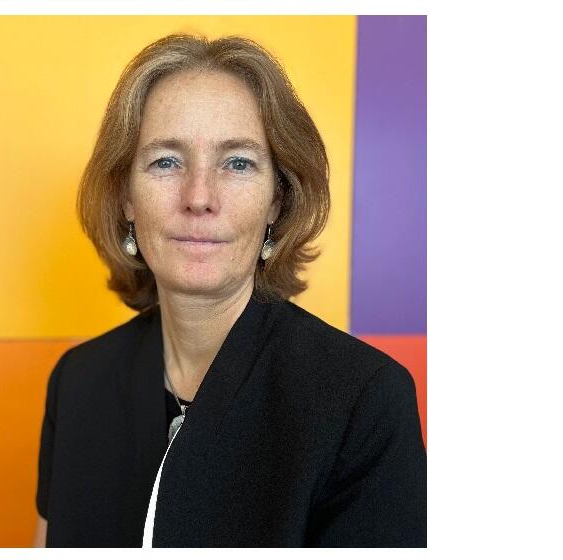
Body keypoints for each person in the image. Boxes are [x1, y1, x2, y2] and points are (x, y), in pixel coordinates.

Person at [33, 34, 426, 547]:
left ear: (276, 202)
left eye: (238, 162)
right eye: (166, 161)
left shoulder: (364, 402)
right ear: (125, 196)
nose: (199, 197)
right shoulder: (78, 382)